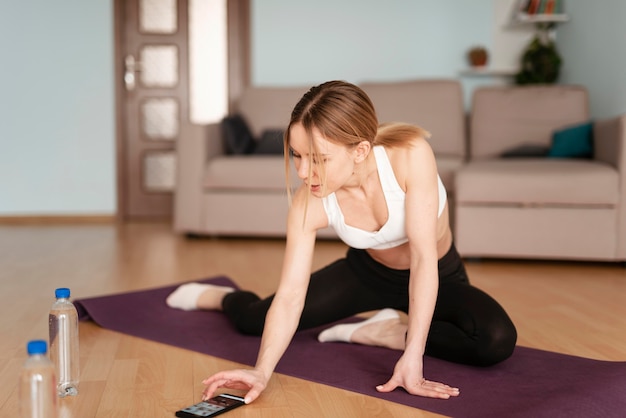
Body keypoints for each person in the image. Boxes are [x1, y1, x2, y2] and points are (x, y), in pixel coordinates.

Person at [166, 80, 517, 404]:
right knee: (253, 322)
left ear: (361, 150)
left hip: (436, 269)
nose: (304, 173)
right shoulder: (309, 200)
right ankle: (222, 297)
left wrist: (412, 353)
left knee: (493, 340)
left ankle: (385, 333)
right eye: (298, 156)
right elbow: (290, 296)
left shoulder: (410, 155)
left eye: (318, 159)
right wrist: (261, 370)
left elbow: (424, 259)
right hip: (366, 273)